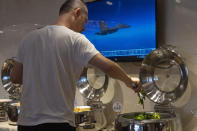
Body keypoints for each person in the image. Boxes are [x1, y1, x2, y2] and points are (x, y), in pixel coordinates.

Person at [10, 0, 141, 131]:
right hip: (58, 123)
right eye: (85, 21)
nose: (84, 28)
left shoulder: (28, 39)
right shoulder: (76, 39)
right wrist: (129, 81)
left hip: (26, 124)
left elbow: (15, 77)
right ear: (77, 12)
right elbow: (108, 67)